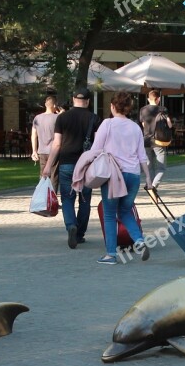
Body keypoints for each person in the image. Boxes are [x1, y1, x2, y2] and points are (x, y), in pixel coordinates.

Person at [77, 91, 151, 265]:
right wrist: (148, 178)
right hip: (133, 175)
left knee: (110, 214)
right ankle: (139, 241)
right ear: (129, 108)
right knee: (125, 210)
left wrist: (84, 165)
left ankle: (111, 254)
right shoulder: (135, 127)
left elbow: (96, 149)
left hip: (113, 175)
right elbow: (142, 156)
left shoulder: (107, 124)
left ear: (112, 106)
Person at [43, 87, 100, 249]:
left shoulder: (62, 118)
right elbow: (97, 145)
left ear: (73, 99)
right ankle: (80, 233)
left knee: (68, 198)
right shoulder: (94, 118)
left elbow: (57, 144)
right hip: (87, 165)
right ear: (88, 101)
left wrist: (48, 166)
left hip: (66, 163)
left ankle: (71, 226)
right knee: (85, 199)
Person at [139, 90, 172, 188]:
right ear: (158, 99)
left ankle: (150, 185)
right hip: (159, 141)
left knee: (149, 166)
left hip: (146, 141)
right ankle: (153, 186)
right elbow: (169, 124)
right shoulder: (163, 109)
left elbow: (143, 124)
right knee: (161, 167)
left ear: (148, 99)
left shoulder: (143, 110)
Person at [31, 95, 60, 189]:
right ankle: (52, 199)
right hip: (54, 151)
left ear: (45, 104)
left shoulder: (37, 118)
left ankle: (42, 196)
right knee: (54, 176)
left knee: (43, 175)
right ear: (55, 105)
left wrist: (34, 150)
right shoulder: (58, 118)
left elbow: (33, 135)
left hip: (42, 151)